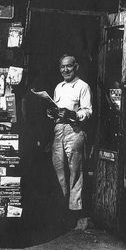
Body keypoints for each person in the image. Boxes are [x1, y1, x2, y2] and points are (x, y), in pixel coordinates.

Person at [47, 54, 92, 229]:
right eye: (62, 67)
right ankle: (61, 209)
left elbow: (87, 111)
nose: (65, 70)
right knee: (58, 168)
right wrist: (52, 113)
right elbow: (57, 109)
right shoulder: (59, 87)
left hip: (75, 130)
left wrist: (72, 114)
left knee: (75, 171)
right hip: (59, 129)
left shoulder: (83, 87)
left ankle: (74, 212)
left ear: (76, 67)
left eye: (69, 67)